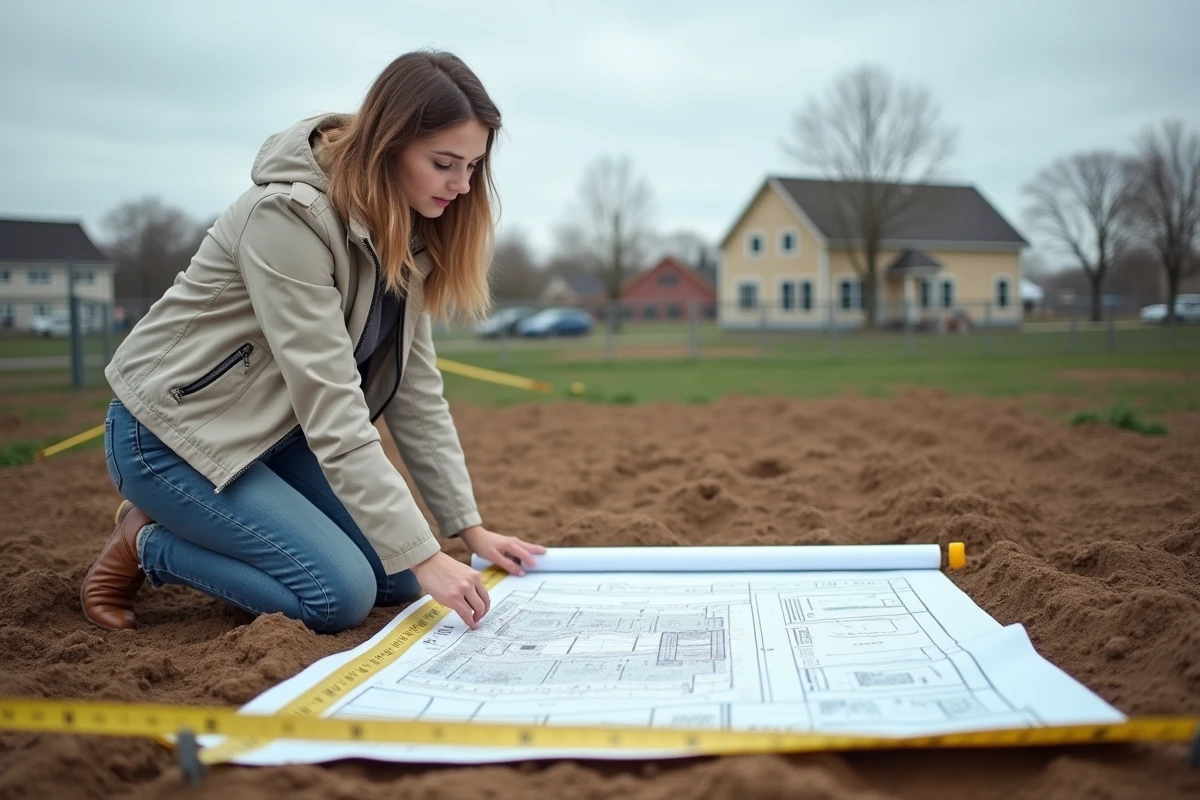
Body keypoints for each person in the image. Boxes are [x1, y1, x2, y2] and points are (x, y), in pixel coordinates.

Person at [81, 50, 545, 635]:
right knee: (338, 595)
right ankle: (147, 542)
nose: (462, 185)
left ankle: (217, 528)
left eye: (474, 166)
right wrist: (429, 557)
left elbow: (416, 393)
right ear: (389, 144)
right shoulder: (287, 218)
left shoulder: (406, 229)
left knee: (397, 574)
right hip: (174, 436)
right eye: (445, 163)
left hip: (271, 437)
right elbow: (331, 401)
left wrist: (467, 529)